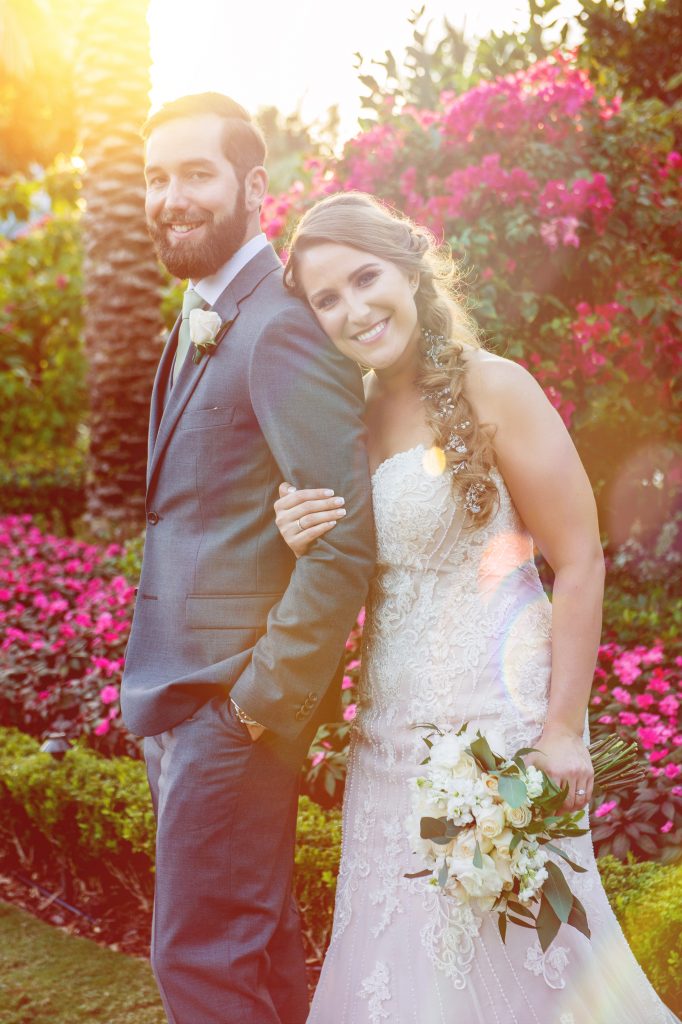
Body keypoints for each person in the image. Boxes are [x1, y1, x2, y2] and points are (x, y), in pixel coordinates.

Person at [274, 191, 678, 1023]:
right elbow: (345, 572)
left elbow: (581, 558)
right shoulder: (344, 419)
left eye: (364, 278)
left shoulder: (498, 387)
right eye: (327, 299)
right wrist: (295, 526)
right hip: (385, 744)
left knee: (527, 968)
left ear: (408, 268)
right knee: (394, 969)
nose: (354, 309)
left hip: (496, 740)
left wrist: (562, 729)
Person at [120, 96, 375, 1024]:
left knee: (199, 967)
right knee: (253, 956)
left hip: (229, 711)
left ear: (253, 188)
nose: (170, 197)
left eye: (195, 173)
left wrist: (258, 708)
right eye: (155, 177)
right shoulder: (202, 311)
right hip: (185, 704)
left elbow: (346, 537)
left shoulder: (278, 325)